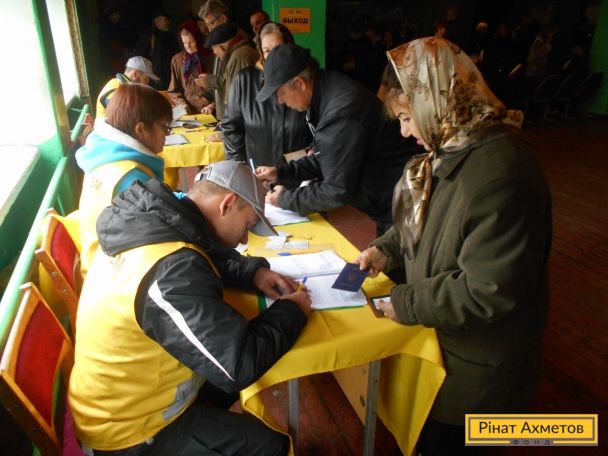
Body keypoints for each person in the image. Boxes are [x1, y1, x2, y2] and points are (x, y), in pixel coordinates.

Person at [356, 37, 551, 455]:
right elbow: (423, 224)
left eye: (406, 117)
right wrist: (386, 249)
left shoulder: (501, 173)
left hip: (477, 373)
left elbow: (487, 289)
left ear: (436, 100)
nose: (406, 132)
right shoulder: (451, 148)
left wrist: (405, 301)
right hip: (447, 346)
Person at [69, 161, 310, 455]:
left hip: (129, 395)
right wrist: (292, 311)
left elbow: (206, 256)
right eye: (247, 225)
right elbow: (236, 366)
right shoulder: (171, 271)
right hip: (129, 434)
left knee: (245, 365)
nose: (245, 239)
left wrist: (253, 273)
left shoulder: (154, 224)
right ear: (227, 205)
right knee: (271, 446)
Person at [254, 43, 417, 235]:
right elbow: (330, 157)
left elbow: (336, 189)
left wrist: (284, 199)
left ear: (299, 83)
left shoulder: (339, 111)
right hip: (389, 197)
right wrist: (280, 173)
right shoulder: (327, 92)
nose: (280, 101)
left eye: (280, 93)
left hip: (399, 204)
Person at [77, 84, 172, 277]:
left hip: (93, 255)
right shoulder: (132, 178)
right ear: (141, 129)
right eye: (165, 127)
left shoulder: (103, 156)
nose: (168, 135)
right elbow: (161, 227)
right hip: (112, 271)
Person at [222, 21, 311, 167]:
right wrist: (240, 167)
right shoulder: (244, 80)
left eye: (278, 48)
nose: (273, 56)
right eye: (267, 50)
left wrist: (311, 157)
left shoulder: (302, 81)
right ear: (261, 53)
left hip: (298, 172)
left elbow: (320, 128)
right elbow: (231, 128)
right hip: (258, 173)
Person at [199, 23, 259, 120]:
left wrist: (228, 124)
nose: (214, 52)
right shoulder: (238, 54)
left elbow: (238, 98)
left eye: (213, 48)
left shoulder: (240, 56)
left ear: (221, 47)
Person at [167, 20, 213, 114]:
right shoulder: (177, 60)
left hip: (210, 112)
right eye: (184, 43)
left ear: (198, 39)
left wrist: (213, 105)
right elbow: (173, 90)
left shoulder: (212, 57)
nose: (188, 46)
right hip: (189, 113)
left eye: (191, 42)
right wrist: (182, 104)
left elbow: (223, 88)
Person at [96, 56, 160, 118]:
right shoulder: (116, 85)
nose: (147, 85)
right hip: (107, 125)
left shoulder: (128, 89)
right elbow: (119, 115)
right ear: (135, 74)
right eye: (145, 80)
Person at [134, 9, 180, 90]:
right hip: (153, 81)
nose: (168, 23)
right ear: (157, 21)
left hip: (169, 80)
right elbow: (138, 58)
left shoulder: (170, 36)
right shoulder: (148, 36)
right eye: (165, 20)